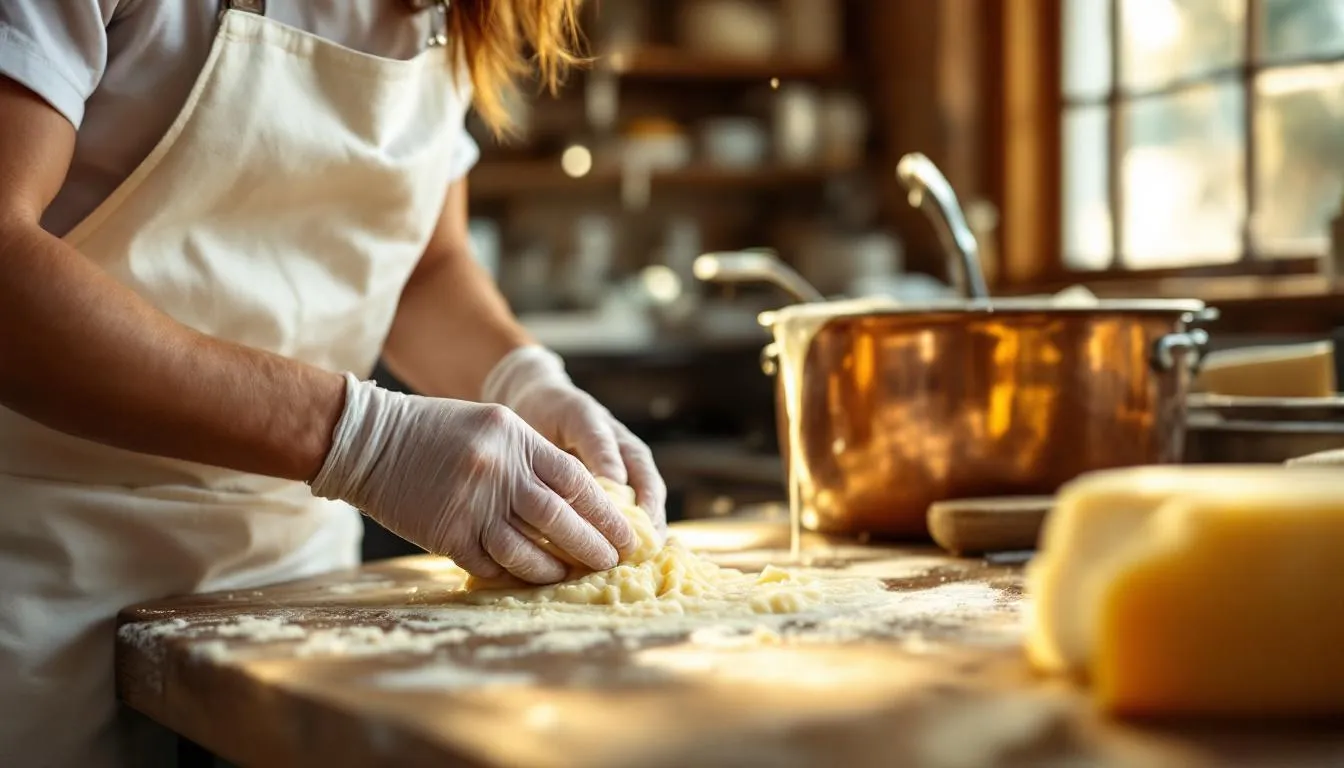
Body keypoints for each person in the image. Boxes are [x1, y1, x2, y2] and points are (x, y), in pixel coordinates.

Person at [0, 1, 667, 764]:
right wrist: (367, 443)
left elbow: (423, 266)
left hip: (292, 592)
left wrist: (523, 378)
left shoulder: (454, 16)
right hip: (44, 575)